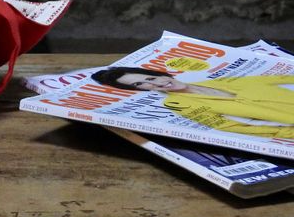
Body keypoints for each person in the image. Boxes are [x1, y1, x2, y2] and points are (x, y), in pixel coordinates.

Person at [91, 66, 294, 140]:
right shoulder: (179, 105)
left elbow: (283, 79)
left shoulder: (221, 81)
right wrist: (287, 134)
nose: (157, 83)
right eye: (140, 84)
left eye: (150, 78)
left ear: (158, 73)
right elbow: (231, 127)